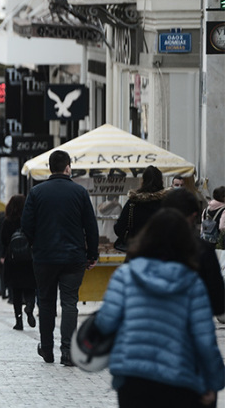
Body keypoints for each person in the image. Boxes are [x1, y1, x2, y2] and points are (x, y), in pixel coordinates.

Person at [95, 209, 225, 407]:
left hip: (132, 377)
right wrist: (214, 382)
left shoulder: (125, 276)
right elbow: (205, 339)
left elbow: (105, 323)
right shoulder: (192, 283)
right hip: (179, 377)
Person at [21, 150, 98, 367]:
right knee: (69, 303)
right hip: (73, 257)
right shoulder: (80, 192)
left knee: (46, 303)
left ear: (50, 168)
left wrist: (37, 243)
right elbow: (90, 227)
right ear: (67, 167)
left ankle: (47, 349)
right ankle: (68, 351)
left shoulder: (36, 193)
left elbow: (26, 226)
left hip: (44, 257)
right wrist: (92, 254)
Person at [160, 188, 225, 318]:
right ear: (193, 216)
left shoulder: (143, 247)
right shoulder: (203, 250)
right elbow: (218, 304)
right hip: (190, 326)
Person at [0, 195, 36, 330]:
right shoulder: (30, 220)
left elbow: (2, 240)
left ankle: (18, 321)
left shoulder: (6, 221)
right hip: (29, 260)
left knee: (16, 292)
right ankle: (30, 307)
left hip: (13, 260)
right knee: (31, 287)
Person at [114, 166, 167, 250]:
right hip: (162, 251)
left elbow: (119, 228)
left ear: (143, 181)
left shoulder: (133, 202)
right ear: (161, 181)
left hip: (138, 250)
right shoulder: (167, 203)